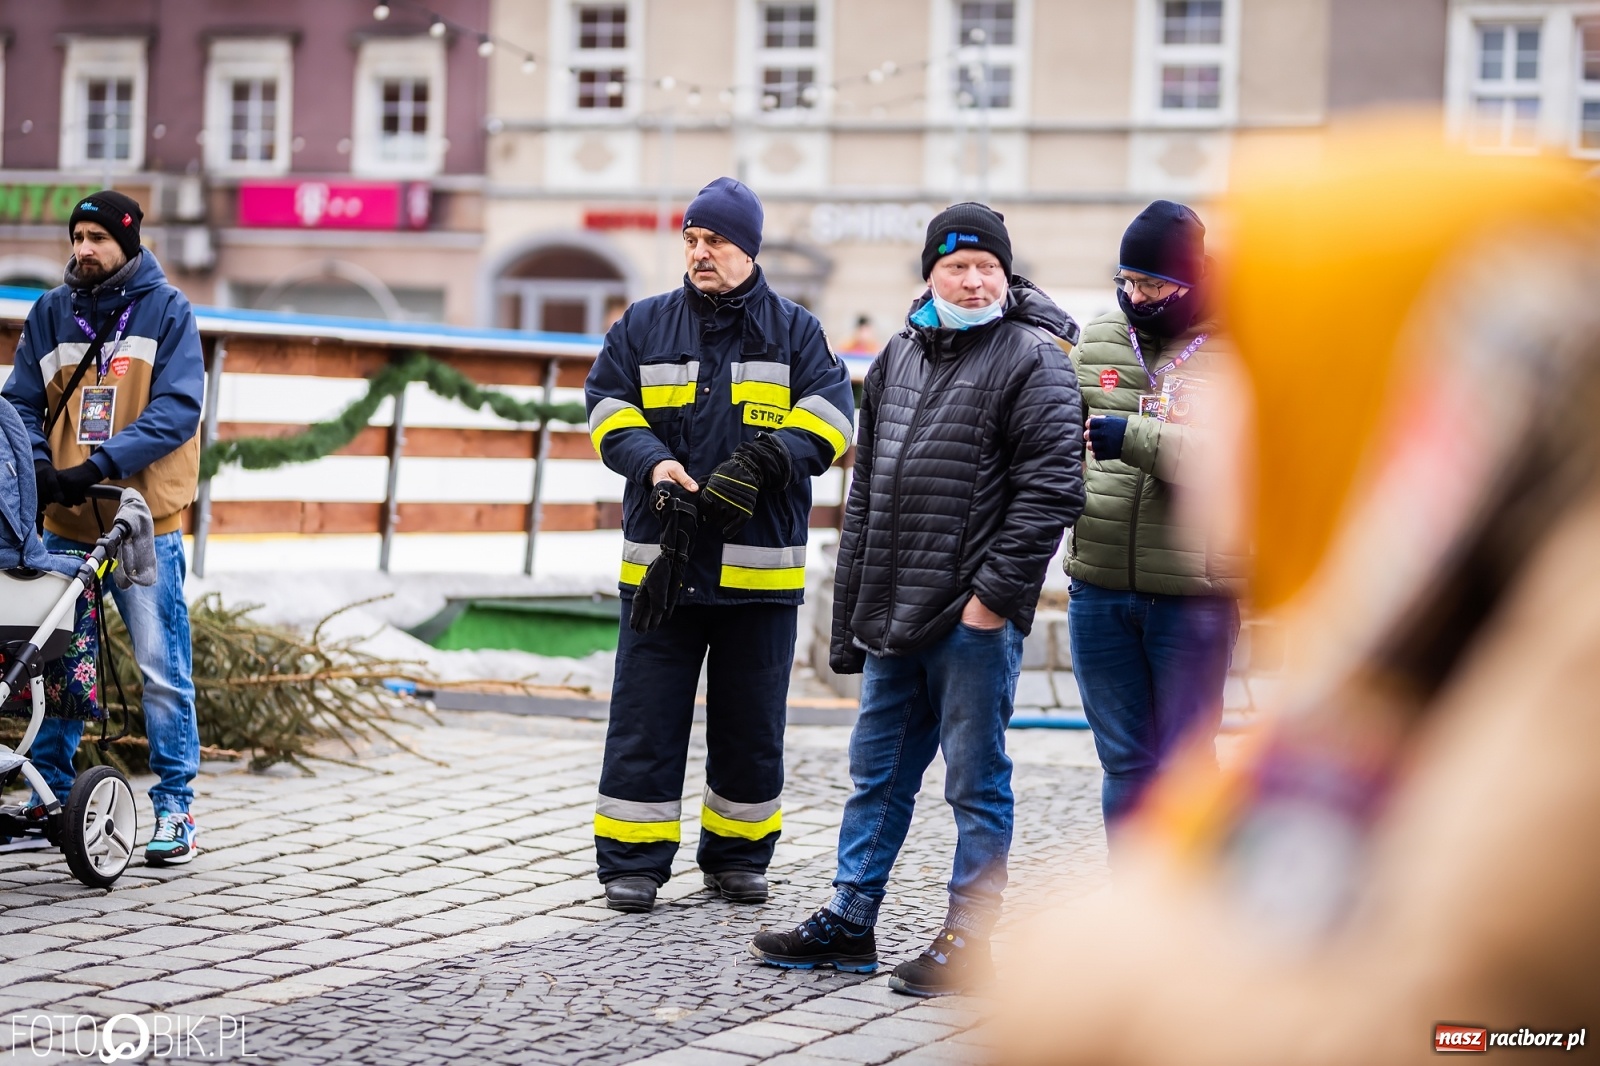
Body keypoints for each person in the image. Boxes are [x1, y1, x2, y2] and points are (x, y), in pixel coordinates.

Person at [750, 202, 1085, 996]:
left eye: (987, 269)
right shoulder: (897, 354)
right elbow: (865, 493)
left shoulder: (1032, 358)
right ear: (930, 273)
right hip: (894, 614)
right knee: (878, 774)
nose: (973, 281)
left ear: (1006, 277)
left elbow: (1051, 492)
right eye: (957, 267)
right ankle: (849, 921)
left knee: (975, 783)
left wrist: (991, 603)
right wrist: (851, 615)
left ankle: (970, 939)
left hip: (970, 619)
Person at [584, 177, 855, 913]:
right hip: (662, 564)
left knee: (751, 723)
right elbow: (606, 406)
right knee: (645, 716)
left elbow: (834, 418)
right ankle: (632, 864)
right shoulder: (642, 325)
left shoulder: (797, 331)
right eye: (692, 241)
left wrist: (766, 461)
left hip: (758, 574)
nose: (700, 253)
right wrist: (652, 462)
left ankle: (737, 858)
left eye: (716, 241)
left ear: (749, 249)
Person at [1, 190, 205, 865]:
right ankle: (52, 794)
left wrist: (99, 467)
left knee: (160, 665)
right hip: (63, 520)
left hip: (143, 519)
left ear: (127, 242)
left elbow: (178, 410)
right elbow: (22, 402)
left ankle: (176, 808)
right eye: (77, 235)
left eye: (97, 237)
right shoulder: (52, 312)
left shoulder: (168, 311)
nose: (83, 248)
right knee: (54, 663)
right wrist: (40, 464)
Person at [1065, 200, 1246, 849]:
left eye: (1152, 284)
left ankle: (1192, 924)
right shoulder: (1100, 338)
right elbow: (1058, 441)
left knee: (1188, 769)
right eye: (1127, 281)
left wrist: (1136, 437)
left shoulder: (1245, 344)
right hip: (1100, 584)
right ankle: (1134, 915)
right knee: (1125, 764)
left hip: (1195, 595)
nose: (1134, 296)